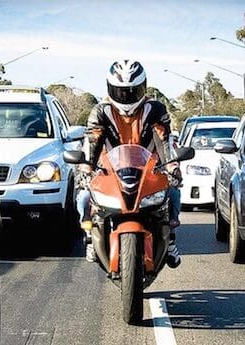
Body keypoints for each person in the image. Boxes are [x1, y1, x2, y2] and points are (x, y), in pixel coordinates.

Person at [77, 59, 182, 268]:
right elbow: (93, 140)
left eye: (132, 91)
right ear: (110, 89)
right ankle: (90, 236)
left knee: (174, 193)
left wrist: (172, 167)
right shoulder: (100, 111)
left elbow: (163, 139)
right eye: (121, 92)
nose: (126, 97)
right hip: (109, 170)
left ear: (143, 87)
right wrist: (86, 168)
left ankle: (169, 238)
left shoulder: (155, 109)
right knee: (83, 196)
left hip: (149, 168)